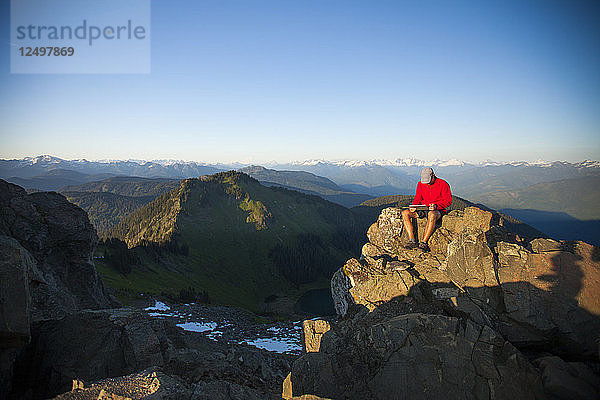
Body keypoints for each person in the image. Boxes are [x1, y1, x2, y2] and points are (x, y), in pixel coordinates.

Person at [401, 167, 452, 251]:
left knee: (431, 214)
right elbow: (417, 198)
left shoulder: (443, 184)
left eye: (428, 180)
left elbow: (448, 201)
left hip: (438, 210)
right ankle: (412, 240)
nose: (426, 183)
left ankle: (424, 242)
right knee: (405, 213)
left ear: (433, 176)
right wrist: (414, 206)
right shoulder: (420, 184)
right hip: (424, 208)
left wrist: (436, 206)